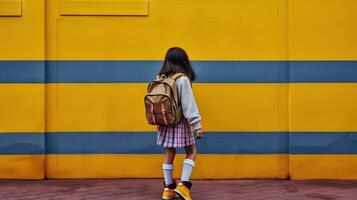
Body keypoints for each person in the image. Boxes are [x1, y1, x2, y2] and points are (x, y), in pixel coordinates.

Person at [156, 47, 203, 200]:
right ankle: (183, 186)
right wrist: (197, 125)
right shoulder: (182, 79)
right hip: (180, 122)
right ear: (184, 61)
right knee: (191, 151)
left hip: (165, 122)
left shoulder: (160, 78)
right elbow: (189, 104)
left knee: (169, 153)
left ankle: (168, 189)